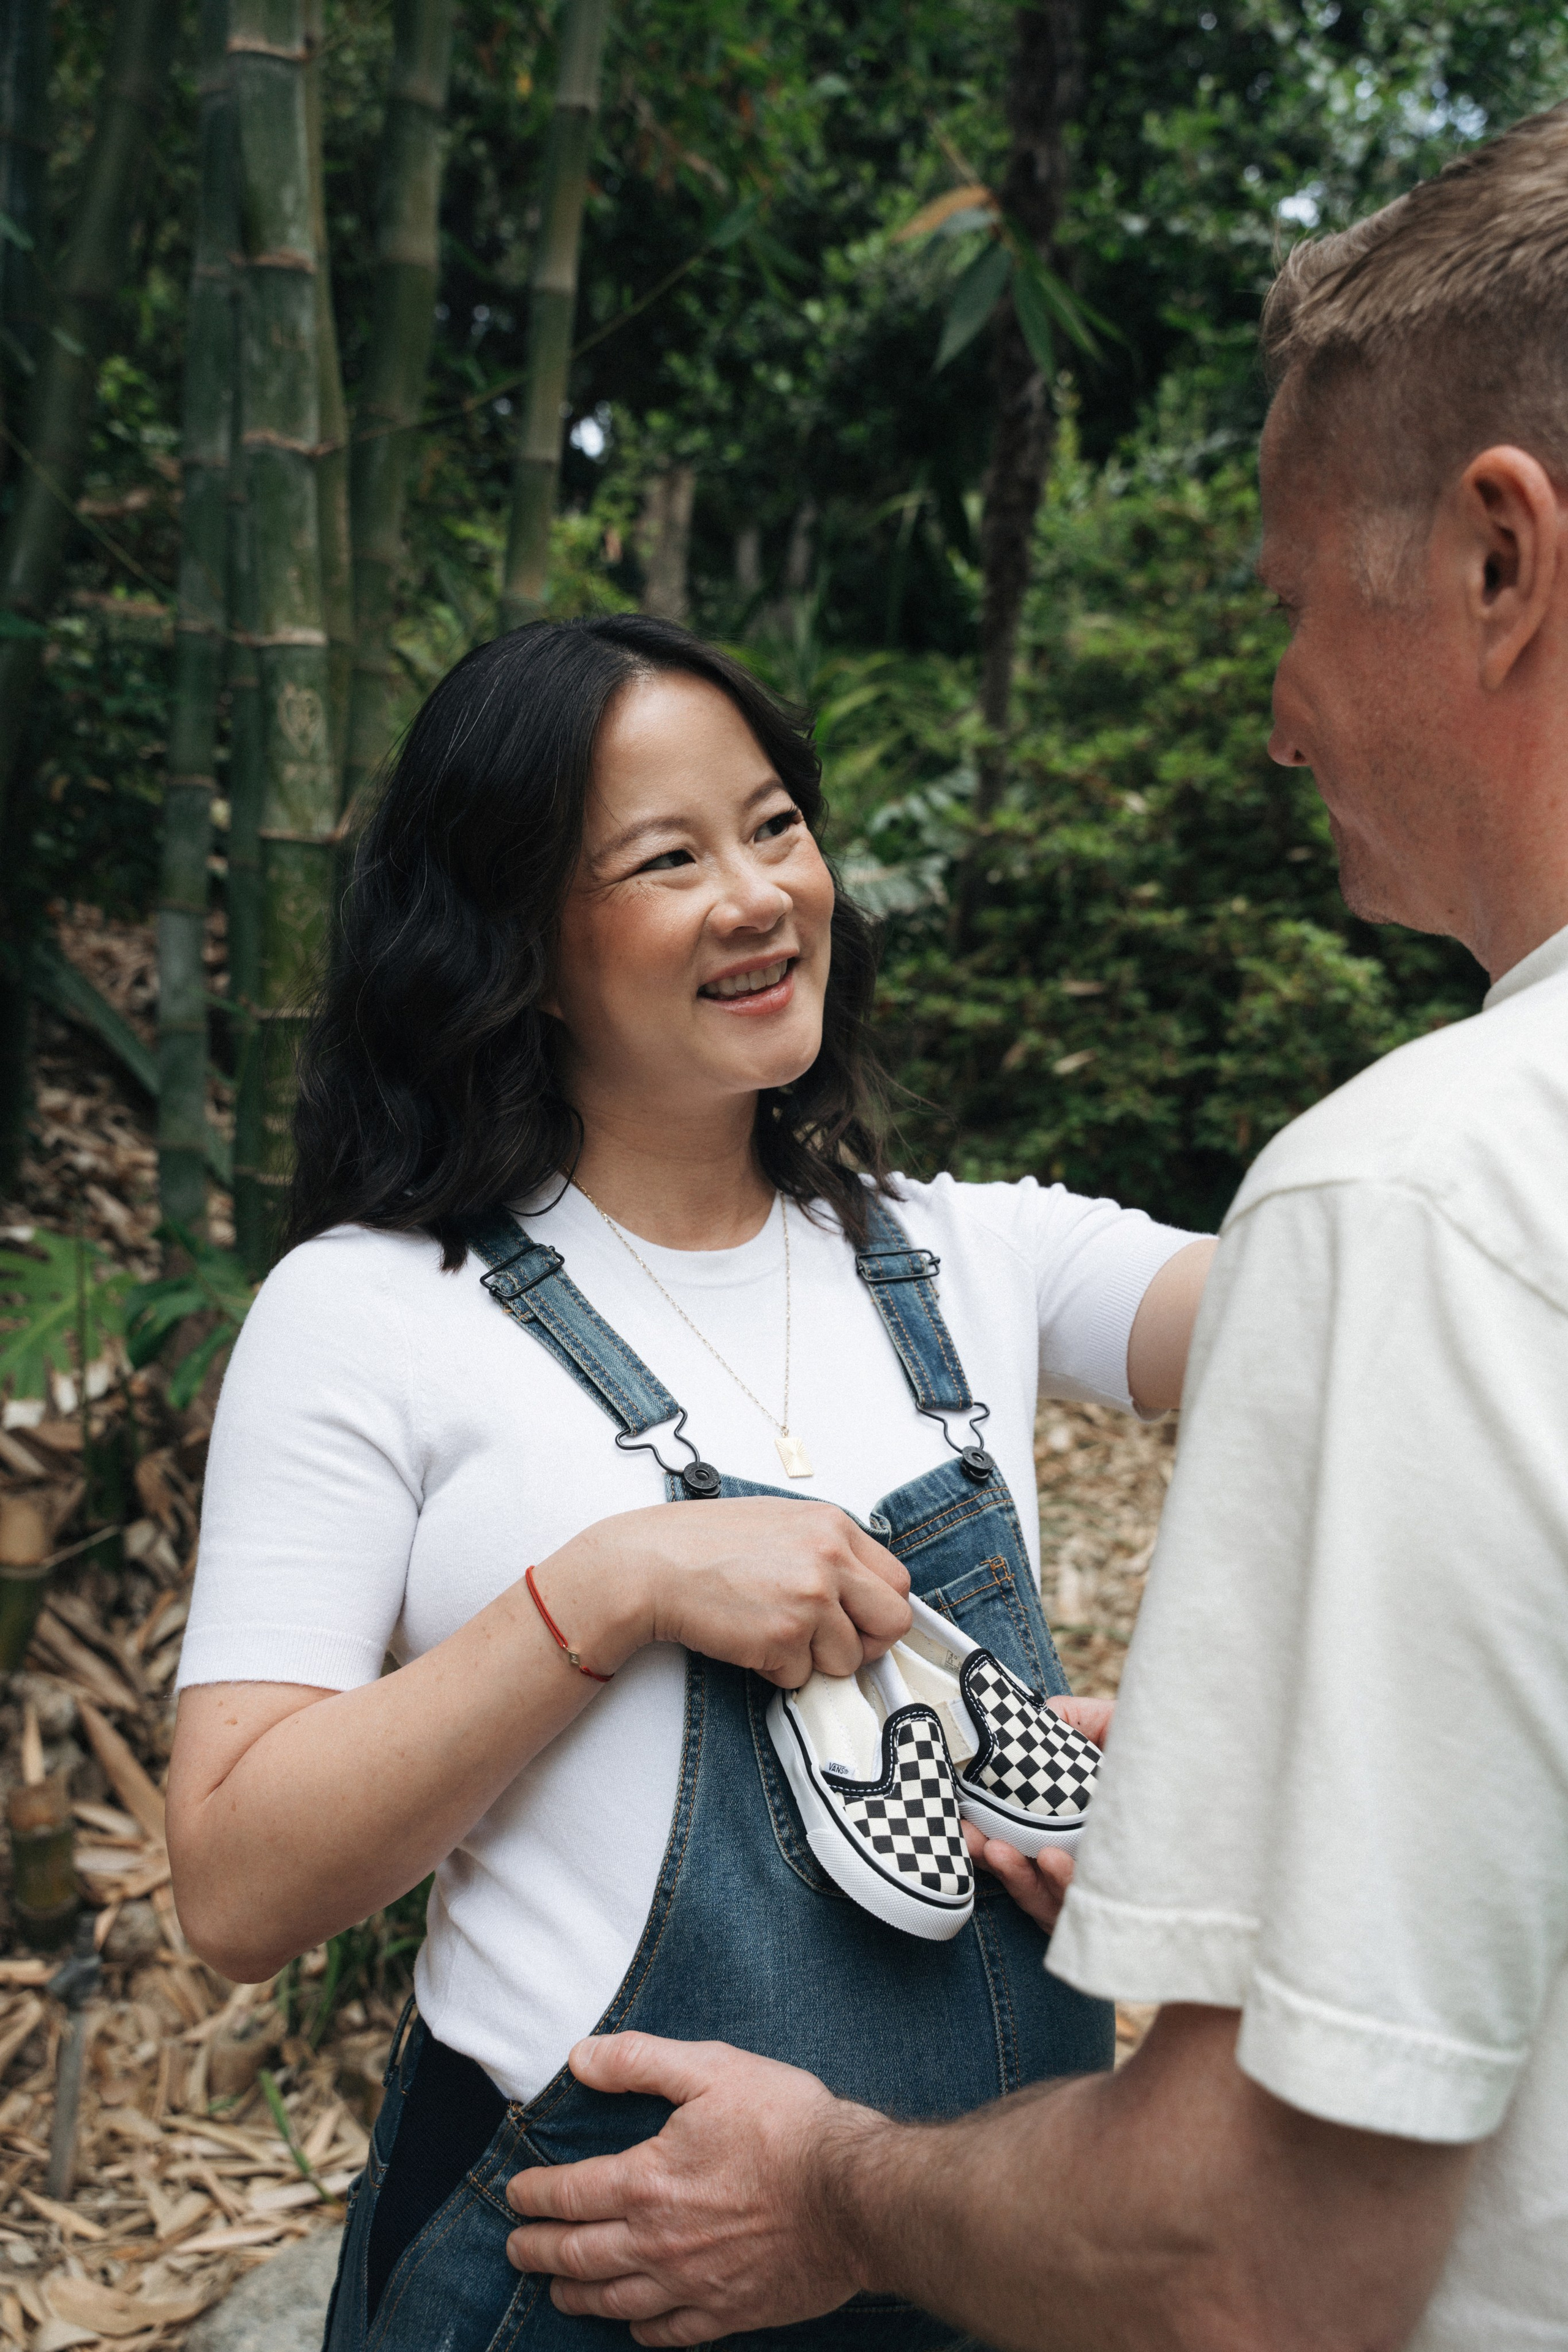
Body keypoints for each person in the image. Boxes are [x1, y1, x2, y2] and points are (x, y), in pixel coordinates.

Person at [499, 100, 1568, 2352]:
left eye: (1291, 604)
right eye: (662, 857)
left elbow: (1259, 2255)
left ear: (1503, 560)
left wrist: (836, 2193)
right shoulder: (382, 1309)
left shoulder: (1391, 1202)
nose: (1278, 713)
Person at [164, 613, 1213, 2352]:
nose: (758, 895)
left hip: (980, 2258)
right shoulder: (367, 1313)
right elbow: (235, 1885)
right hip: (588, 2277)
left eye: (776, 826)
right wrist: (617, 1588)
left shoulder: (975, 1257)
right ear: (519, 941)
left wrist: (1218, 1755)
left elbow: (1367, 1318)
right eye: (669, 858)